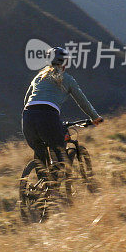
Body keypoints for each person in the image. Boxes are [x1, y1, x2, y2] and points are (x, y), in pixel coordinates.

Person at [22, 47, 104, 176]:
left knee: (40, 154)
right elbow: (82, 101)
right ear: (65, 63)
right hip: (48, 117)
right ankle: (55, 191)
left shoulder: (38, 78)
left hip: (28, 117)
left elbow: (27, 99)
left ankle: (39, 190)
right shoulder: (67, 79)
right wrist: (95, 117)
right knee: (60, 158)